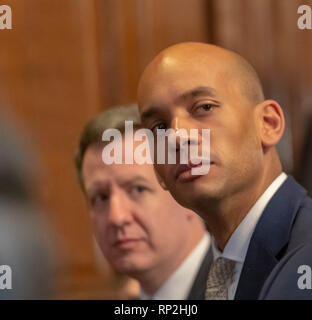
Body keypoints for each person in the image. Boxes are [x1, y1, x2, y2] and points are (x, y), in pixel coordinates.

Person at [137, 42, 312, 300]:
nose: (176, 137)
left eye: (204, 108)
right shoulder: (203, 282)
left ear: (268, 124)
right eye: (159, 127)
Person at [75, 104, 211, 300]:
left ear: (188, 193)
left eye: (137, 189)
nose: (117, 217)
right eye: (101, 197)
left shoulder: (244, 289)